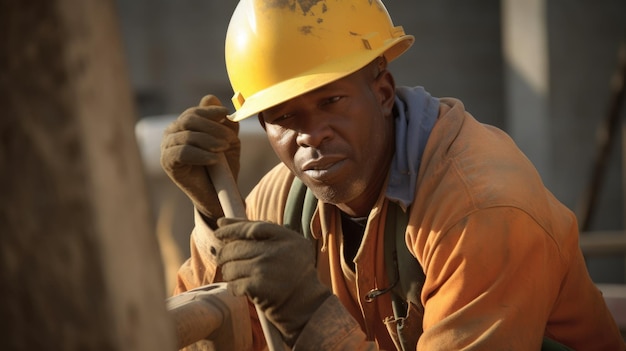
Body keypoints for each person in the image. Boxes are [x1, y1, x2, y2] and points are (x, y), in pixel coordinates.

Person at [160, 0, 625, 350]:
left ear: (381, 91)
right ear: (263, 126)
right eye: (284, 116)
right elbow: (210, 329)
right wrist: (213, 219)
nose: (311, 135)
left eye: (331, 101)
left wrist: (306, 312)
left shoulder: (480, 207)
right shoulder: (287, 200)